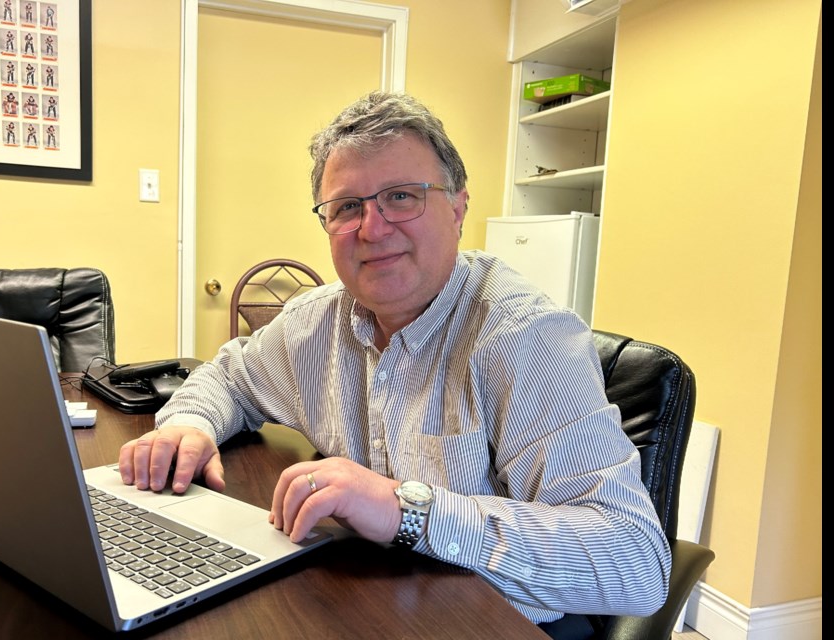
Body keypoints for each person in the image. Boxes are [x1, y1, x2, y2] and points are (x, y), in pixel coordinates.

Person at [117, 92, 671, 638]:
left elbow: (636, 562)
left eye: (402, 197)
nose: (372, 228)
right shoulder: (316, 321)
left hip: (486, 621)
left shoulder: (527, 338)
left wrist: (407, 511)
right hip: (367, 603)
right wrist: (190, 425)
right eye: (347, 207)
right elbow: (230, 377)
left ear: (457, 208)